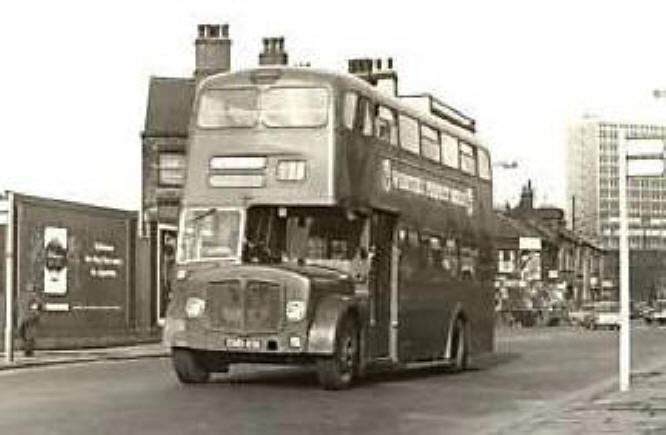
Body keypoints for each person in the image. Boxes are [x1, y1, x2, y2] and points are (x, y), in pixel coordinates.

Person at [17, 291, 42, 357]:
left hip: (28, 318)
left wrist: (35, 315)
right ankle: (27, 349)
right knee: (25, 334)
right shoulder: (32, 298)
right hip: (25, 318)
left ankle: (28, 350)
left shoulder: (33, 299)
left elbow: (36, 308)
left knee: (27, 335)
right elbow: (37, 308)